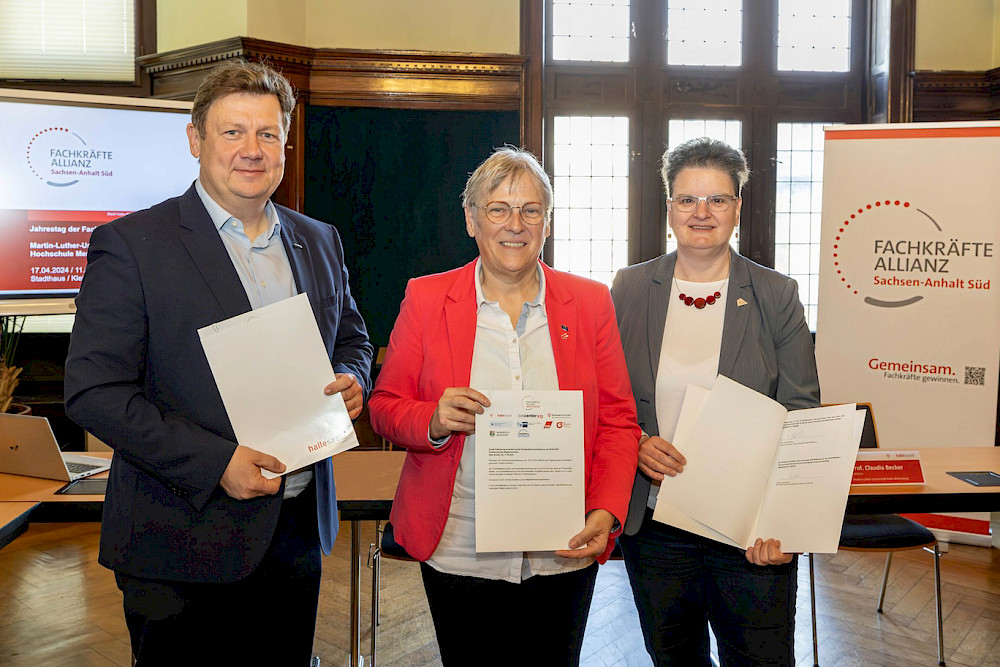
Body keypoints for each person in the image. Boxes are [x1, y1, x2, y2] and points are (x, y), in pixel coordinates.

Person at [64, 59, 373, 665]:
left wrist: (355, 379)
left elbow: (353, 338)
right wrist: (216, 463)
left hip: (296, 536)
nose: (251, 150)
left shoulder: (319, 239)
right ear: (195, 139)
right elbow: (94, 391)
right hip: (181, 542)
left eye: (267, 133)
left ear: (285, 143)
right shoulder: (132, 246)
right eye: (232, 132)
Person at [368, 146, 640, 666]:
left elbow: (618, 421)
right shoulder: (426, 299)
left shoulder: (589, 303)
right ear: (471, 220)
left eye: (531, 210)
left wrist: (605, 510)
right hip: (459, 543)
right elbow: (383, 406)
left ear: (547, 223)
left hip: (565, 545)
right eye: (498, 209)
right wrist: (433, 417)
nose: (515, 224)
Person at [611, 137, 820, 666]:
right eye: (687, 200)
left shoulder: (777, 295)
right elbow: (607, 401)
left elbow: (801, 414)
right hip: (656, 529)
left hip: (750, 535)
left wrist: (783, 522)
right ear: (669, 209)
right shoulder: (629, 289)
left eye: (717, 200)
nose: (701, 213)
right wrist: (636, 441)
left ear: (737, 209)